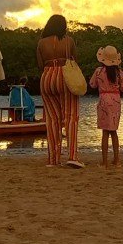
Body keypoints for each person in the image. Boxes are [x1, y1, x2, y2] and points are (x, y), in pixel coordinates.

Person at [36, 13, 83, 169]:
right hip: (64, 76)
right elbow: (75, 60)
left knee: (52, 119)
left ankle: (53, 159)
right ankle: (72, 156)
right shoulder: (69, 41)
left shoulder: (41, 43)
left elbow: (40, 64)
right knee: (71, 117)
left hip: (47, 77)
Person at [89, 45, 123, 167]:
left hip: (103, 100)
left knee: (105, 132)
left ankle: (104, 161)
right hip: (116, 101)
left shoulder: (99, 71)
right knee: (114, 132)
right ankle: (117, 160)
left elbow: (92, 84)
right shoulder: (119, 73)